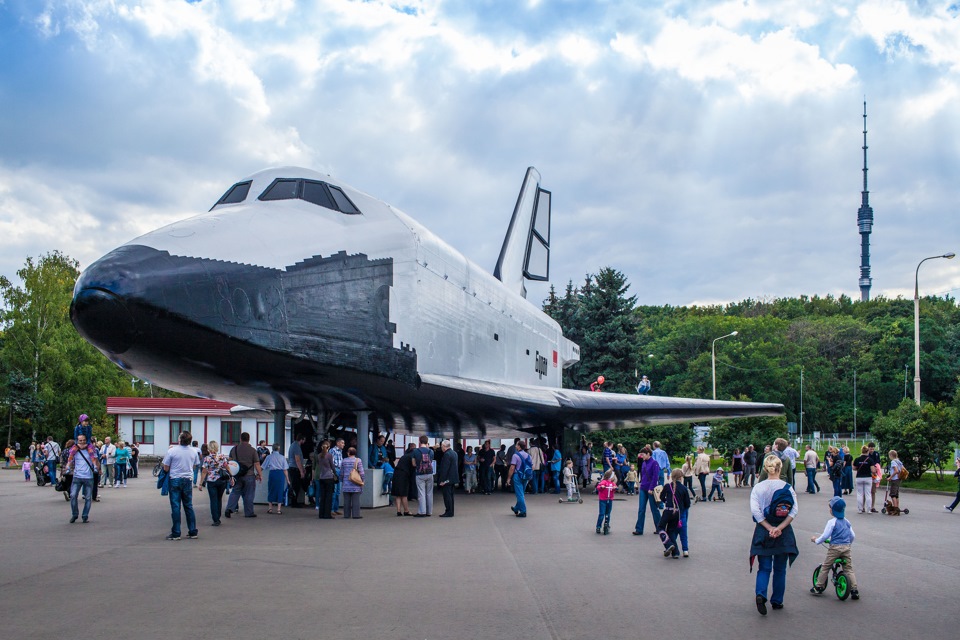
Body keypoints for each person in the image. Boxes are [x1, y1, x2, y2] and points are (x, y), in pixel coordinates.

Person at [749, 455, 798, 615]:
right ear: (780, 469)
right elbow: (794, 510)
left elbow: (755, 511)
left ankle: (760, 594)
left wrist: (768, 527)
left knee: (764, 567)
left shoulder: (759, 487)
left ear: (765, 469)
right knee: (780, 569)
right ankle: (777, 601)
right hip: (783, 532)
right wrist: (779, 527)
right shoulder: (788, 487)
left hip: (763, 531)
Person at [810, 497, 859, 599]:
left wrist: (816, 540)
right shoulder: (847, 521)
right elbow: (852, 535)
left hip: (835, 548)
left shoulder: (832, 522)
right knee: (848, 569)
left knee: (826, 566)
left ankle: (818, 586)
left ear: (832, 510)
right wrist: (848, 543)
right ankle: (854, 590)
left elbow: (825, 536)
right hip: (846, 548)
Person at [162, 431, 200, 540]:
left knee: (175, 506)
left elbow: (166, 467)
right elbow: (194, 466)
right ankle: (192, 531)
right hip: (188, 479)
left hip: (175, 479)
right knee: (188, 506)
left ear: (180, 439)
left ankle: (176, 532)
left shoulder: (172, 451)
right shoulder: (193, 451)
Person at [224, 432, 262, 519]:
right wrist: (260, 475)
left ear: (240, 439)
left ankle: (229, 508)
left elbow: (230, 462)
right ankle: (249, 512)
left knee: (235, 492)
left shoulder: (234, 449)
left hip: (237, 475)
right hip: (249, 475)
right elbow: (257, 464)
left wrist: (231, 475)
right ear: (248, 439)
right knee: (249, 494)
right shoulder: (253, 450)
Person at [64, 434, 100, 523]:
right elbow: (70, 460)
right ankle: (75, 514)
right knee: (73, 495)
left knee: (88, 498)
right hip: (77, 477)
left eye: (84, 440)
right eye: (80, 440)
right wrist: (67, 467)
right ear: (77, 441)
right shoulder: (74, 450)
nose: (82, 442)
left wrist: (97, 468)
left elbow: (95, 460)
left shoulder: (91, 450)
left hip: (88, 477)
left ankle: (85, 516)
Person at [658, 469, 691, 558]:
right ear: (681, 477)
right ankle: (675, 553)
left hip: (668, 510)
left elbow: (661, 497)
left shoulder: (668, 486)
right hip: (677, 513)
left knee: (660, 528)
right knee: (671, 531)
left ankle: (668, 545)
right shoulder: (684, 488)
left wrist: (666, 501)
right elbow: (687, 503)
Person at [198, 440, 230, 526]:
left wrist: (201, 483)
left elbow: (204, 471)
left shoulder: (207, 458)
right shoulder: (222, 456)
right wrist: (231, 477)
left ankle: (215, 519)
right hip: (221, 480)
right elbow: (227, 467)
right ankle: (218, 516)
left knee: (213, 500)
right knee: (219, 499)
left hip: (211, 481)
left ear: (209, 448)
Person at [633, 446, 661, 535]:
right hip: (643, 487)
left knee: (654, 509)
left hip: (650, 489)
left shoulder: (654, 463)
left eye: (643, 454)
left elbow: (655, 477)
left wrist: (651, 488)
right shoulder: (644, 463)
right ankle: (639, 529)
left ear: (648, 454)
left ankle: (659, 527)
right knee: (641, 509)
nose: (642, 456)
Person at [261, 444, 289, 515]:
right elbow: (285, 469)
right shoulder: (282, 457)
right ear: (279, 449)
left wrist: (258, 473)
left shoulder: (269, 457)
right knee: (280, 490)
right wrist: (288, 479)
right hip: (280, 474)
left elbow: (263, 466)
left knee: (271, 489)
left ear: (272, 449)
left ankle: (270, 508)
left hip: (272, 474)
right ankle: (278, 509)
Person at [508, 441, 532, 518]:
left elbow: (512, 467)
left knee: (519, 494)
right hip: (526, 476)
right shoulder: (528, 456)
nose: (515, 446)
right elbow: (531, 466)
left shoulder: (515, 455)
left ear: (519, 446)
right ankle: (516, 508)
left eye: (516, 445)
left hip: (517, 476)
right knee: (521, 493)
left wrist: (508, 478)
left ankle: (523, 511)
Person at [313, 441, 336, 519]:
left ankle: (321, 514)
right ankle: (327, 514)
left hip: (321, 477)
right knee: (329, 496)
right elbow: (332, 466)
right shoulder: (329, 455)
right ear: (328, 447)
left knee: (322, 496)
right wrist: (336, 474)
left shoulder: (319, 456)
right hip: (329, 477)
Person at [340, 447, 365, 519]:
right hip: (356, 484)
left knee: (346, 500)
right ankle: (356, 515)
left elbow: (341, 472)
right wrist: (362, 480)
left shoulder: (344, 461)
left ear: (348, 453)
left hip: (346, 484)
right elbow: (361, 472)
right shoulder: (358, 460)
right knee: (356, 500)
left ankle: (346, 515)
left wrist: (342, 480)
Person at [392, 444, 416, 517]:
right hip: (404, 475)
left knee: (398, 494)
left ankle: (398, 511)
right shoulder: (412, 456)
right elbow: (414, 465)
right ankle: (406, 510)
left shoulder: (404, 456)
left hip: (396, 473)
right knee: (404, 494)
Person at [438, 440, 458, 517]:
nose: (441, 448)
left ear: (444, 446)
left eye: (441, 446)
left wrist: (442, 480)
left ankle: (448, 511)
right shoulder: (454, 453)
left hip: (447, 479)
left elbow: (445, 469)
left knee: (447, 496)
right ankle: (451, 511)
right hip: (453, 478)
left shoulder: (447, 454)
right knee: (451, 496)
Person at [285, 435, 305, 508]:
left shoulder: (293, 445)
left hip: (292, 468)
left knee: (294, 485)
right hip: (294, 469)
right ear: (302, 439)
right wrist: (301, 471)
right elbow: (297, 459)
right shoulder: (296, 446)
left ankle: (293, 501)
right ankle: (294, 502)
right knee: (295, 486)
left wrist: (302, 468)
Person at [852, 445, 873, 514]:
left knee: (860, 494)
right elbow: (873, 470)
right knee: (868, 494)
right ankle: (869, 509)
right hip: (868, 477)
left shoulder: (857, 459)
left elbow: (854, 468)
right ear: (867, 452)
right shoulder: (870, 460)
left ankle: (860, 509)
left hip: (859, 477)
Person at [595, 469, 617, 534]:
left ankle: (607, 525)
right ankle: (598, 526)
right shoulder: (604, 482)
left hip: (609, 499)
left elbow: (615, 487)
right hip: (603, 499)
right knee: (602, 513)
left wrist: (615, 488)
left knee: (608, 513)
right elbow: (598, 487)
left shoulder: (612, 483)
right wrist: (601, 486)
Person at [331, 438, 344, 515]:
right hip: (335, 470)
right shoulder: (333, 451)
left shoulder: (340, 451)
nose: (343, 444)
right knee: (334, 490)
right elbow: (331, 462)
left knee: (338, 491)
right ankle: (332, 509)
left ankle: (335, 508)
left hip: (339, 470)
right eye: (342, 443)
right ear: (338, 443)